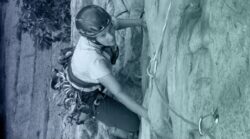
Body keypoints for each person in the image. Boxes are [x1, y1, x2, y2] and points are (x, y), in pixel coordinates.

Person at [65, 5, 148, 138]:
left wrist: (141, 22)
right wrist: (148, 115)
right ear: (92, 39)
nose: (110, 37)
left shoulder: (100, 29)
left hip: (83, 74)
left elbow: (116, 23)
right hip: (86, 96)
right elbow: (119, 92)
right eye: (103, 35)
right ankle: (112, 129)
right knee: (133, 123)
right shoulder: (94, 63)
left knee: (109, 40)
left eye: (109, 30)